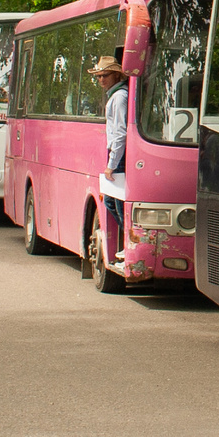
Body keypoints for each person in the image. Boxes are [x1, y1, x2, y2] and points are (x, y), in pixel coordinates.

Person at [89, 55, 132, 277]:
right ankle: (127, 244)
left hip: (119, 156)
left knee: (116, 202)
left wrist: (112, 163)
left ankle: (128, 245)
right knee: (112, 201)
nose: (100, 80)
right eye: (98, 76)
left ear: (116, 74)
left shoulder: (119, 97)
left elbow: (120, 133)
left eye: (104, 75)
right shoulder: (116, 96)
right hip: (116, 156)